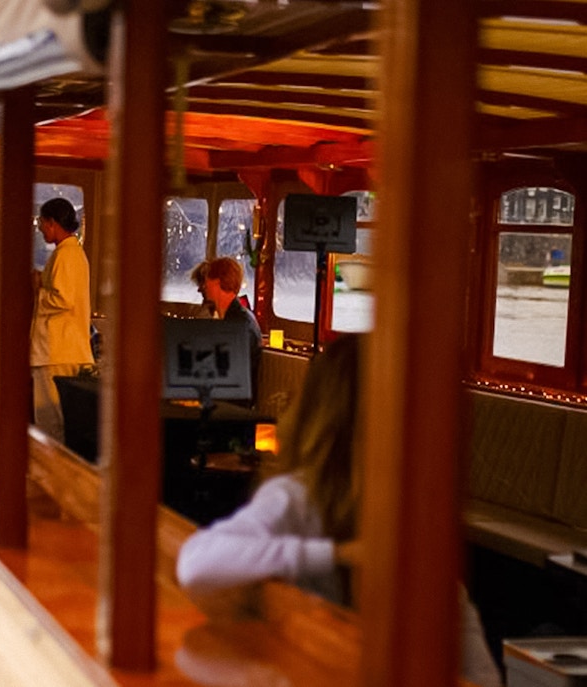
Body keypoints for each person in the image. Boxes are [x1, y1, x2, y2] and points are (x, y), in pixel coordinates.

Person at [177, 336, 502, 687]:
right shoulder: (300, 500)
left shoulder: (413, 520)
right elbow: (198, 564)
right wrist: (337, 554)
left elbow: (479, 672)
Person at [30, 197, 93, 442]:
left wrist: (38, 289)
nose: (40, 228)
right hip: (63, 350)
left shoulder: (66, 255)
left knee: (50, 423)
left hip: (56, 351)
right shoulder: (70, 254)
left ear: (53, 223)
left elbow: (63, 300)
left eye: (42, 223)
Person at [192, 257, 261, 402]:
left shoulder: (241, 324)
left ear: (216, 283)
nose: (204, 286)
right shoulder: (229, 318)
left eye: (207, 280)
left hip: (232, 406)